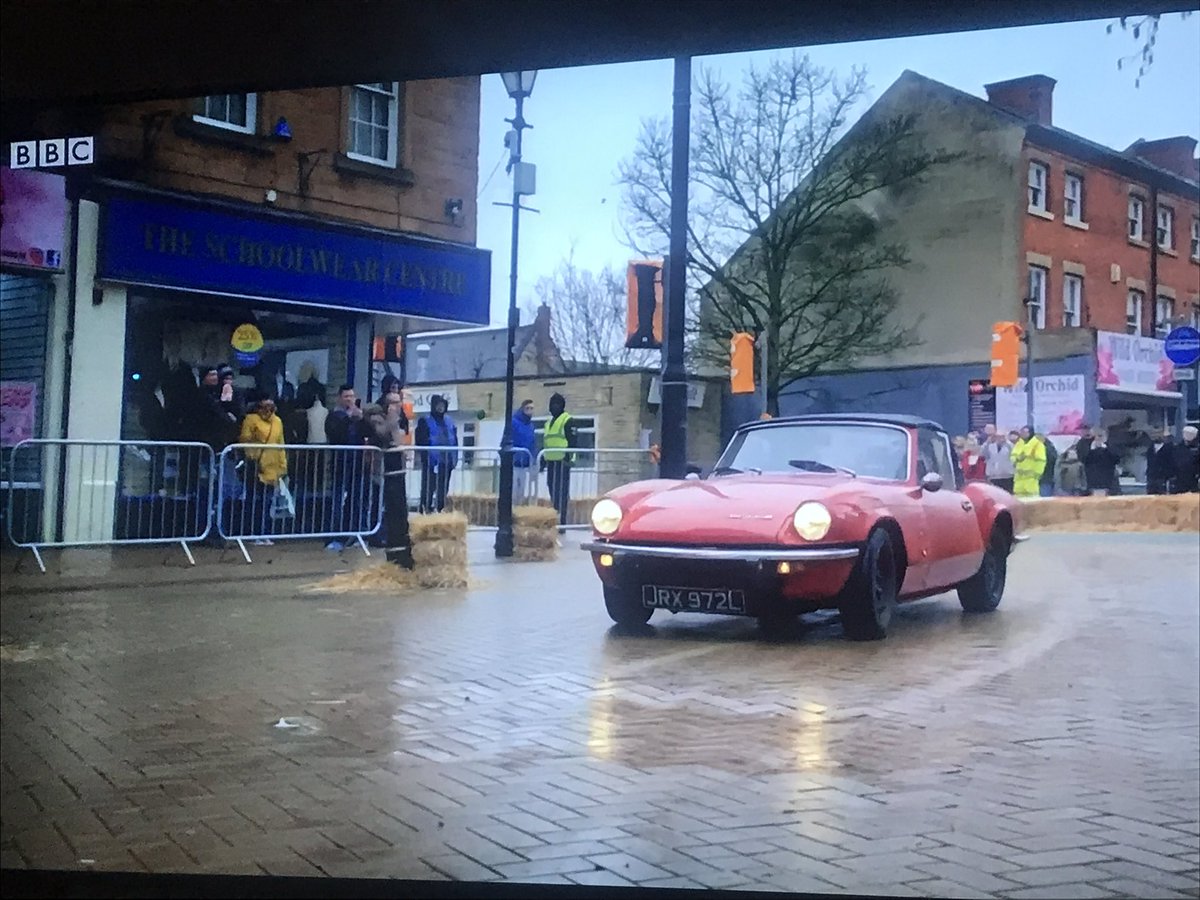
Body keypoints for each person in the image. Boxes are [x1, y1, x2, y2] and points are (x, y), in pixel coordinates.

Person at [324, 384, 371, 550]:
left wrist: (362, 418)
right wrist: (348, 418)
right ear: (339, 398)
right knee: (338, 502)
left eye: (352, 396)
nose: (350, 400)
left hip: (358, 465)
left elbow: (369, 433)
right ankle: (335, 537)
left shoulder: (357, 416)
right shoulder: (333, 416)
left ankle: (356, 534)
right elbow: (335, 434)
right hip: (341, 463)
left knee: (357, 500)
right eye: (346, 397)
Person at [369, 395, 414, 567]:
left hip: (398, 470)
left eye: (399, 401)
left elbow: (401, 442)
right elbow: (383, 436)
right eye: (394, 402)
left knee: (400, 509)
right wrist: (392, 423)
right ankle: (386, 541)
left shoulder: (401, 420)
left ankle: (401, 547)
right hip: (385, 471)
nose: (398, 405)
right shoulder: (380, 419)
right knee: (387, 507)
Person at [237, 396, 287, 546]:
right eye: (264, 406)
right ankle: (251, 533)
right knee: (254, 501)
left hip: (272, 467)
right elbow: (244, 440)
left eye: (271, 406)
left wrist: (283, 466)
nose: (268, 410)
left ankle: (264, 532)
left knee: (267, 502)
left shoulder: (277, 421)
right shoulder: (251, 420)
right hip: (256, 467)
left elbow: (281, 443)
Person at [541, 392, 578, 530]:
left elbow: (573, 441)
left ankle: (562, 521)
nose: (553, 407)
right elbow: (546, 443)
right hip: (551, 461)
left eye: (556, 404)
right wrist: (543, 462)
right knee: (552, 489)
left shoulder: (568, 420)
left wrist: (569, 458)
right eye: (552, 404)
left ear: (562, 406)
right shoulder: (548, 423)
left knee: (561, 492)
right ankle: (555, 516)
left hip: (563, 462)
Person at [416, 394, 458, 513]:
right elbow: (420, 441)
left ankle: (440, 509)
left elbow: (455, 439)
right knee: (428, 487)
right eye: (438, 405)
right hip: (431, 461)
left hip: (447, 460)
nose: (440, 408)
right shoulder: (425, 421)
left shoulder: (449, 421)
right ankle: (425, 509)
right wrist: (425, 458)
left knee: (443, 488)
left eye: (443, 405)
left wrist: (454, 458)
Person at [510, 399, 537, 505]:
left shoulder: (531, 426)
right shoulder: (514, 422)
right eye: (527, 408)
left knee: (521, 493)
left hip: (525, 463)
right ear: (522, 409)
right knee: (513, 491)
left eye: (531, 408)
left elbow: (533, 443)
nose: (529, 411)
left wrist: (533, 460)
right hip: (514, 462)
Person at [1080, 428, 1119, 496]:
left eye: (1100, 436)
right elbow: (1083, 459)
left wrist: (1105, 448)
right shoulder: (1084, 445)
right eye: (1093, 437)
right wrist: (1092, 449)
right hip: (1091, 484)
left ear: (1106, 437)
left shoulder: (1111, 446)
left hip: (1109, 483)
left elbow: (1116, 459)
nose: (1097, 439)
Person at [1010, 427, 1046, 499]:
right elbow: (1013, 455)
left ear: (1030, 433)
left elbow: (1041, 461)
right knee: (1019, 502)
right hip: (1019, 479)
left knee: (1032, 500)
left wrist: (1037, 473)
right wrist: (1016, 459)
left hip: (1031, 479)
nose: (1023, 434)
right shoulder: (1019, 443)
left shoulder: (1037, 444)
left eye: (1025, 432)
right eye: (1022, 432)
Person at [982, 427, 1015, 494]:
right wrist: (987, 442)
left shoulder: (1009, 446)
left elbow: (1014, 451)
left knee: (1007, 495)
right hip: (994, 476)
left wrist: (1007, 441)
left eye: (1002, 436)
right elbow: (982, 453)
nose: (1000, 438)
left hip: (1007, 476)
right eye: (998, 436)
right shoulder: (990, 446)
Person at [1170, 426, 1200, 494]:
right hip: (1179, 480)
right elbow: (1172, 463)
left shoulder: (1197, 449)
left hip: (1193, 480)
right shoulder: (1176, 448)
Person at [1146, 431, 1175, 495]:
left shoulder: (1170, 449)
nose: (1156, 436)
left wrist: (1169, 475)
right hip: (1151, 477)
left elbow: (1171, 463)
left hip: (1163, 477)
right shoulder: (1150, 448)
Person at [1035, 432, 1058, 498]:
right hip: (1040, 478)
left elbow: (1051, 460)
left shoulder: (1048, 449)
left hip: (1046, 478)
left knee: (1044, 498)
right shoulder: (1049, 447)